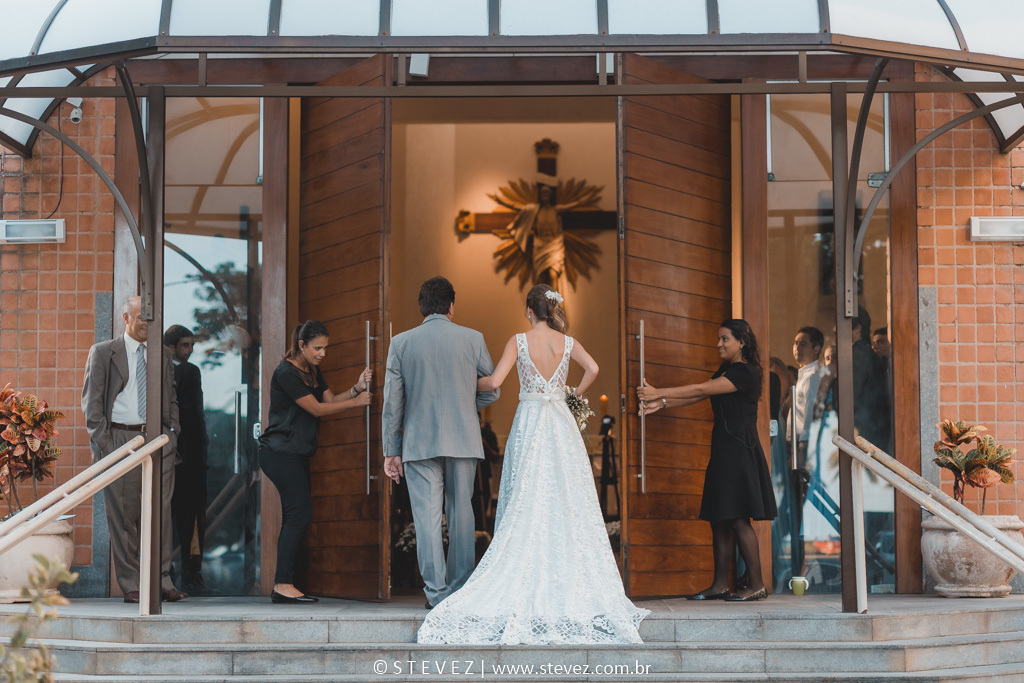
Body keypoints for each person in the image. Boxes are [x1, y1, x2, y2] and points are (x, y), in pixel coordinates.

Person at [417, 283, 648, 644]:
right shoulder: (567, 343)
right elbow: (594, 367)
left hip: (529, 422)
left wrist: (458, 381)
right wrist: (572, 392)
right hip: (559, 422)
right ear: (551, 310)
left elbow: (493, 381)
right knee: (564, 498)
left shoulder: (519, 341)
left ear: (529, 310)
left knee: (527, 495)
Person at [382, 276, 500, 610]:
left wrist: (391, 451)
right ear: (451, 306)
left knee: (426, 518)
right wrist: (464, 405)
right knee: (462, 512)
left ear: (422, 307)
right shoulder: (472, 338)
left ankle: (436, 594)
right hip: (463, 437)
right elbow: (492, 389)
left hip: (418, 441)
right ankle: (461, 592)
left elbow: (393, 403)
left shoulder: (401, 343)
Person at [638, 319, 776, 601]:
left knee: (738, 518)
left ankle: (757, 584)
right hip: (725, 450)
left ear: (742, 342)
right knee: (719, 517)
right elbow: (701, 395)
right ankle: (719, 585)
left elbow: (701, 389)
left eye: (725, 339)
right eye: (719, 339)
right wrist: (661, 404)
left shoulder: (745, 373)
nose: (719, 344)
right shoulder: (728, 370)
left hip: (739, 451)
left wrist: (659, 392)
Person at [258, 320, 371, 604]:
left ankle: (284, 583)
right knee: (299, 514)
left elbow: (330, 399)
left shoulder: (313, 370)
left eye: (325, 348)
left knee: (296, 514)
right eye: (317, 348)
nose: (322, 353)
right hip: (278, 453)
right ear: (302, 345)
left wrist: (356, 389)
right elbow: (318, 409)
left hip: (295, 453)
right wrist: (357, 404)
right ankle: (283, 584)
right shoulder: (287, 372)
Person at [82, 296, 185, 603]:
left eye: (150, 319)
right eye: (140, 318)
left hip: (158, 440)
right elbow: (91, 404)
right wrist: (104, 443)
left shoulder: (163, 355)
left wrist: (173, 433)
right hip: (119, 440)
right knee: (124, 516)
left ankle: (162, 579)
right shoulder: (103, 352)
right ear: (125, 318)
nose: (145, 324)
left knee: (160, 512)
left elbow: (172, 398)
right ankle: (131, 584)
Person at [163, 324, 209, 591]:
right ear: (171, 347)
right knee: (190, 516)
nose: (190, 351)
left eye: (192, 345)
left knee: (172, 515)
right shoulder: (188, 372)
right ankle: (191, 574)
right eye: (185, 345)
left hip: (175, 454)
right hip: (188, 457)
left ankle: (171, 573)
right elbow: (194, 417)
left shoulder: (164, 371)